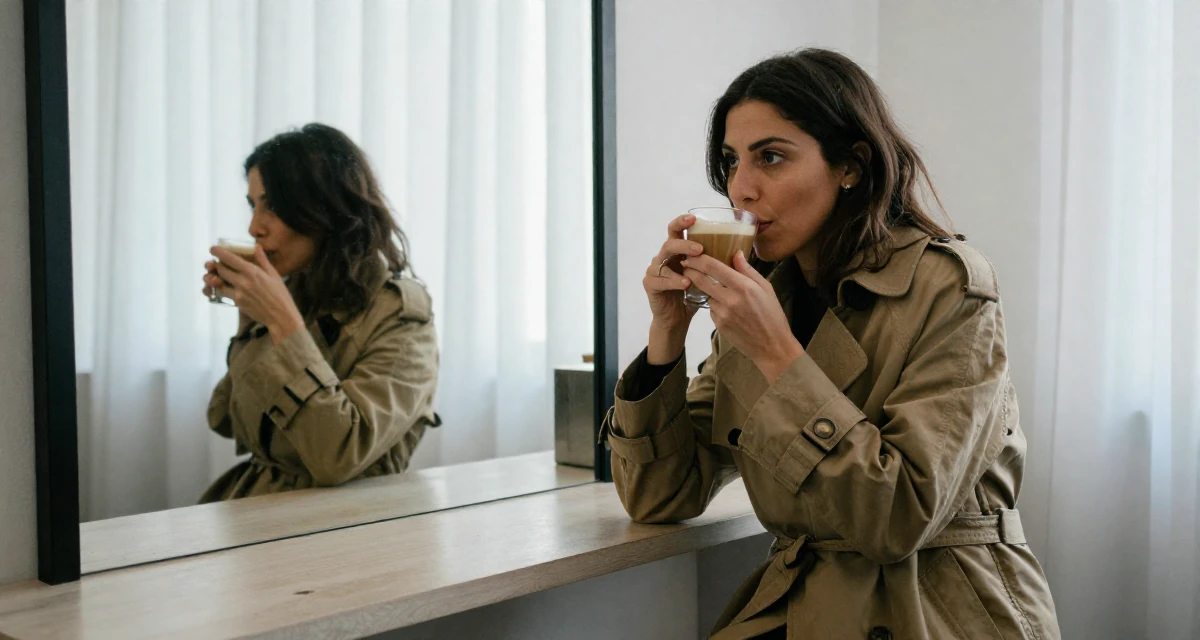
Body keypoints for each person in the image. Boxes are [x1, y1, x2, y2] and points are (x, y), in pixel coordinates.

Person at [602, 49, 1060, 639]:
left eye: (771, 157)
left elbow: (897, 518)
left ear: (850, 165)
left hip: (936, 608)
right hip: (805, 600)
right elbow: (659, 497)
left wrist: (777, 354)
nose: (741, 188)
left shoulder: (949, 287)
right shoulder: (767, 294)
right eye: (730, 161)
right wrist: (667, 331)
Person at [200, 123, 440, 502]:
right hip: (251, 507)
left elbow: (338, 455)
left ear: (325, 208)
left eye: (273, 205)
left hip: (339, 527)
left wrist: (282, 323)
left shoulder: (401, 316)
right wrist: (250, 320)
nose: (254, 226)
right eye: (253, 204)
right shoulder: (296, 294)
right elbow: (223, 418)